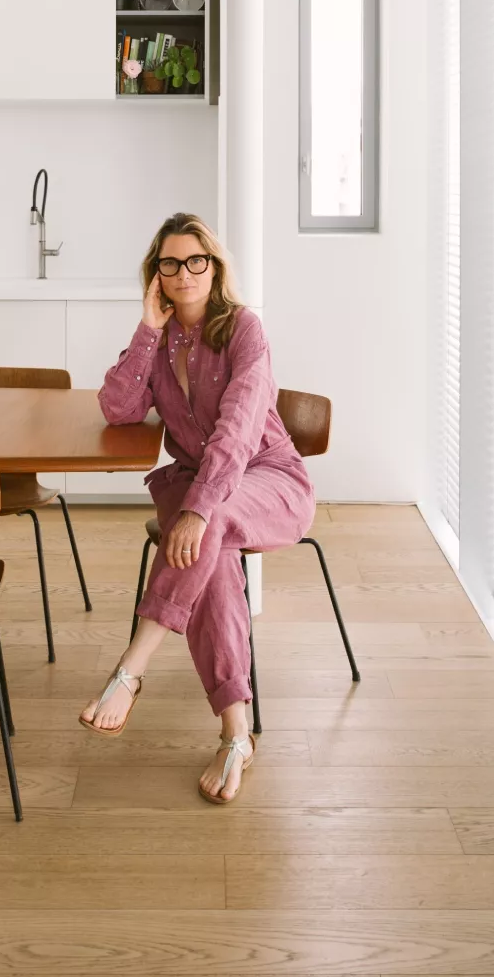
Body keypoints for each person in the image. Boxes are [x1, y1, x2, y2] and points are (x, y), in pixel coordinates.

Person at [79, 212, 316, 804]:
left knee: (208, 522)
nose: (183, 273)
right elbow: (117, 409)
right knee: (212, 552)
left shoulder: (243, 329)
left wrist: (199, 508)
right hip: (198, 486)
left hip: (269, 479)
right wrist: (145, 331)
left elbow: (237, 431)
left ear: (214, 267)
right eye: (170, 263)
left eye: (195, 261)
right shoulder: (158, 343)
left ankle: (131, 669)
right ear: (155, 275)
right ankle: (236, 732)